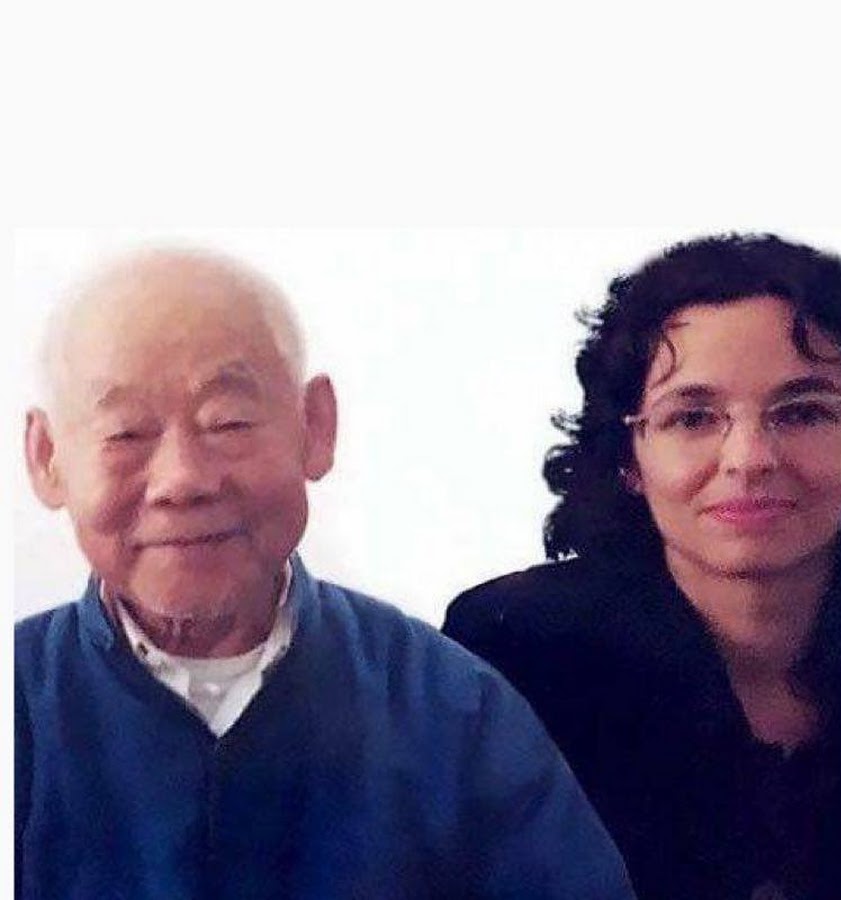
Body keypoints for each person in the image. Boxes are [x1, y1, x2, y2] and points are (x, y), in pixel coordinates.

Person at [15, 247, 635, 900]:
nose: (183, 480)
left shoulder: (452, 713)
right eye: (125, 433)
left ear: (315, 425)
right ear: (47, 457)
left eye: (228, 422)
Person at [444, 233, 841, 900]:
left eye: (804, 412)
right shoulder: (517, 653)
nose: (749, 458)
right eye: (693, 418)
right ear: (628, 458)